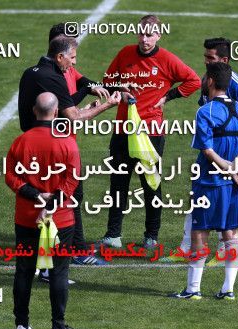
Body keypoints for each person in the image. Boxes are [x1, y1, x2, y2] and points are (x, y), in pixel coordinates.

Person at [99, 14, 201, 249]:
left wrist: (168, 96)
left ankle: (151, 236)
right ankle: (113, 235)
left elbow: (193, 80)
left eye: (150, 34)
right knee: (118, 183)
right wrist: (121, 88)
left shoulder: (166, 59)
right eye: (141, 33)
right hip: (123, 130)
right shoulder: (125, 53)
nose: (145, 39)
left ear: (158, 35)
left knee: (151, 184)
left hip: (150, 133)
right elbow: (107, 80)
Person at [161, 37, 238, 264]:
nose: (206, 62)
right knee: (200, 200)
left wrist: (236, 150)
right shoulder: (208, 80)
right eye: (205, 57)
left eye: (211, 58)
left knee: (222, 203)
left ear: (224, 60)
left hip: (228, 156)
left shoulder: (235, 83)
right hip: (214, 154)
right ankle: (187, 247)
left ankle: (219, 252)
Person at [169, 62, 238, 300]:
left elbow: (207, 151)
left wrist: (227, 168)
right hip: (234, 186)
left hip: (208, 183)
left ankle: (192, 289)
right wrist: (235, 168)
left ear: (210, 82)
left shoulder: (205, 111)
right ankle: (228, 290)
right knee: (231, 235)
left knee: (199, 233)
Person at [37, 25, 111, 287]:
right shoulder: (53, 77)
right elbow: (72, 110)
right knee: (66, 198)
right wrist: (104, 102)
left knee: (68, 197)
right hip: (58, 146)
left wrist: (99, 87)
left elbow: (82, 82)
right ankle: (72, 253)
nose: (74, 61)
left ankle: (63, 253)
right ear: (59, 52)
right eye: (72, 55)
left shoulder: (63, 70)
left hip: (65, 142)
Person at [6, 92, 80, 329]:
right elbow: (71, 181)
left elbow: (11, 177)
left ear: (34, 111)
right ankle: (58, 327)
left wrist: (36, 195)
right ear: (56, 112)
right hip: (61, 219)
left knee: (24, 269)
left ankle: (21, 323)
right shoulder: (67, 141)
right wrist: (51, 204)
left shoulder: (21, 142)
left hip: (27, 218)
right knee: (59, 271)